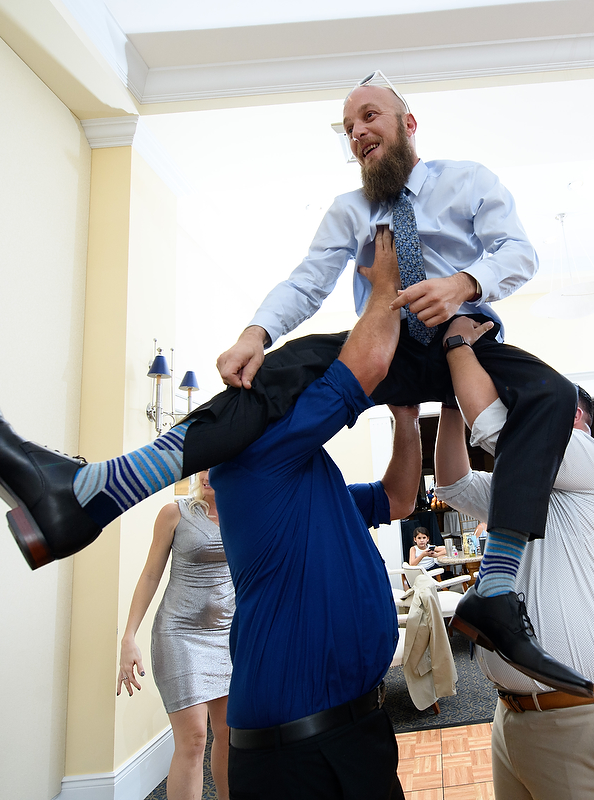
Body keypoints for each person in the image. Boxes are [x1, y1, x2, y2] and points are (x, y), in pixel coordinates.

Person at [0, 72, 586, 695]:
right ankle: (92, 493)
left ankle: (497, 589)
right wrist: (255, 333)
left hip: (467, 340)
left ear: (408, 123)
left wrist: (464, 284)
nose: (358, 132)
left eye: (370, 116)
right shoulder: (351, 211)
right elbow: (307, 281)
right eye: (349, 127)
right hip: (391, 347)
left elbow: (518, 252)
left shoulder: (467, 180)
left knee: (554, 394)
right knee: (279, 371)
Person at [208, 227, 417, 798]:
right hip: (292, 758)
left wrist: (405, 421)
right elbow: (365, 364)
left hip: (359, 732)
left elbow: (399, 498)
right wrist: (384, 290)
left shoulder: (307, 482)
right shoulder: (253, 462)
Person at [436, 319, 594, 800]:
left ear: (572, 417)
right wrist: (448, 403)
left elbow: (494, 428)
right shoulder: (523, 487)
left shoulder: (587, 456)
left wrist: (457, 345)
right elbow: (453, 484)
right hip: (518, 719)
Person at [117, 471, 234, 800]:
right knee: (194, 738)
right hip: (179, 634)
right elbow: (150, 574)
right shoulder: (175, 513)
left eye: (217, 465)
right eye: (203, 466)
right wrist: (128, 637)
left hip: (228, 636)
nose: (207, 473)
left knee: (229, 735)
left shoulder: (245, 514)